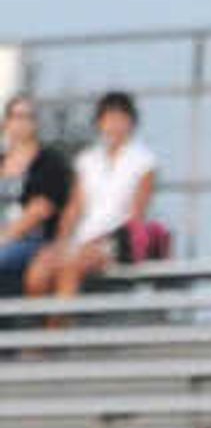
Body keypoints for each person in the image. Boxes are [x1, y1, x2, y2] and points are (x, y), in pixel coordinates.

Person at [26, 90, 160, 299]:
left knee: (69, 270)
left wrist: (100, 241)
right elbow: (74, 208)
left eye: (120, 119)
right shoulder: (88, 160)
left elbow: (137, 215)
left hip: (116, 242)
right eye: (108, 119)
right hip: (83, 238)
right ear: (99, 122)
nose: (114, 125)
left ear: (131, 122)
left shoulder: (143, 161)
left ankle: (59, 330)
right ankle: (40, 328)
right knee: (39, 270)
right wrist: (61, 242)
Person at [0, 93, 71, 289]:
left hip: (33, 242)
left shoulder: (49, 162)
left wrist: (3, 238)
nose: (22, 123)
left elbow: (40, 210)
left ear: (36, 123)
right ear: (6, 122)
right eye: (16, 116)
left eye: (28, 117)